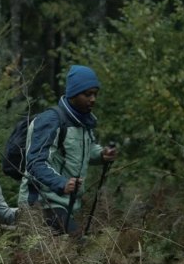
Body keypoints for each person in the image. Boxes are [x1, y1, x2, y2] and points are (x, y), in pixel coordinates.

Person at [19, 65, 117, 236]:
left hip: (68, 204)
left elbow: (85, 150)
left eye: (95, 94)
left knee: (68, 255)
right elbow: (35, 163)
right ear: (73, 93)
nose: (93, 99)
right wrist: (61, 183)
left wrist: (102, 154)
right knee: (76, 244)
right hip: (42, 203)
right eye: (87, 94)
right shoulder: (51, 121)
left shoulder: (83, 122)